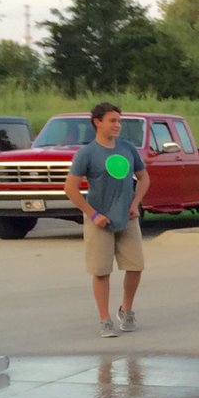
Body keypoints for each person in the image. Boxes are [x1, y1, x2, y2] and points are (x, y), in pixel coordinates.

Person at [63, 102, 151, 338]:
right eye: (112, 121)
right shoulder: (87, 153)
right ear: (97, 122)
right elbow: (70, 188)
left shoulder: (127, 148)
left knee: (135, 266)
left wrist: (134, 204)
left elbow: (143, 178)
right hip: (99, 220)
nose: (117, 125)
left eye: (119, 121)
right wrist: (93, 214)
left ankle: (126, 309)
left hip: (127, 217)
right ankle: (105, 320)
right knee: (101, 271)